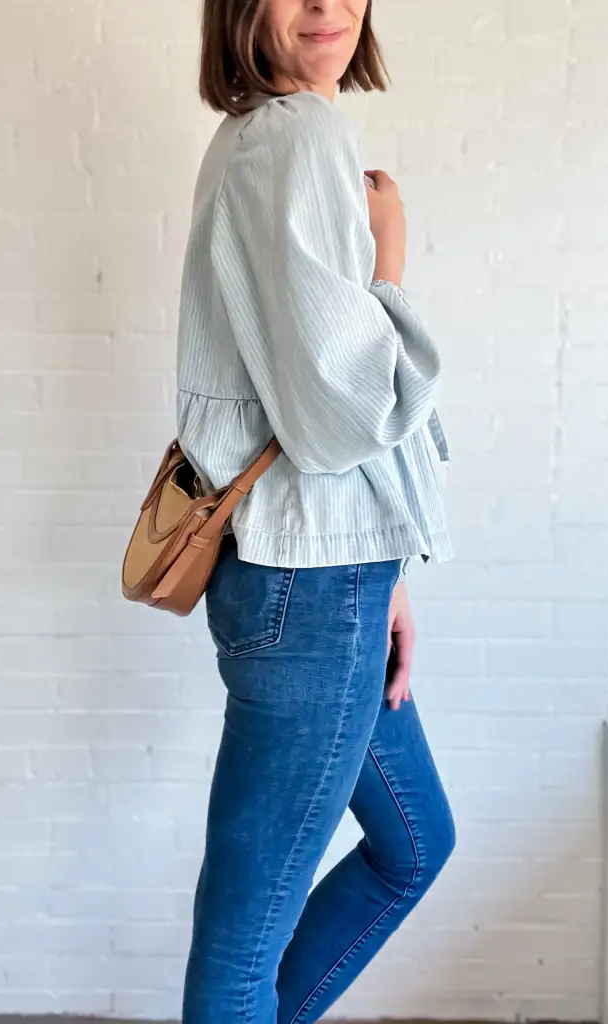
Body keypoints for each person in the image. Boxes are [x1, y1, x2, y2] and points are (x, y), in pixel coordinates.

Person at [176, 1, 456, 1020]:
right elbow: (345, 413)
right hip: (310, 592)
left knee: (414, 841)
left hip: (328, 575)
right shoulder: (300, 136)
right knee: (243, 942)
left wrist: (387, 575)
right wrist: (390, 259)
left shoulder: (258, 132)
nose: (327, 5)